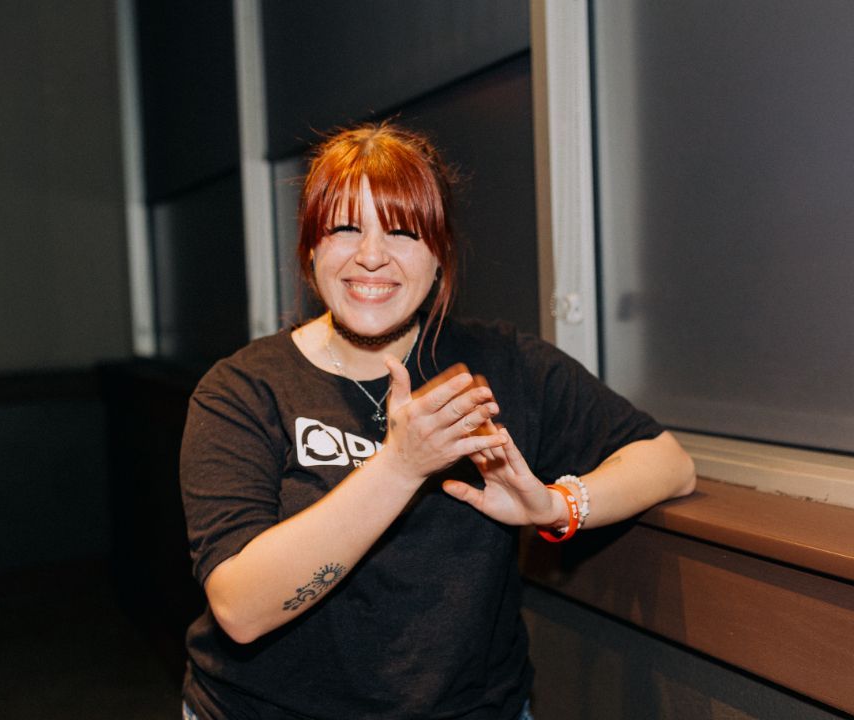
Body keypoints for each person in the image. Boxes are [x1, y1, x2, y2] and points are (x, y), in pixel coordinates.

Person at [179, 122, 696, 720]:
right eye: (345, 228)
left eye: (402, 231)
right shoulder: (241, 391)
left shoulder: (503, 365)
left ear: (438, 257)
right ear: (311, 249)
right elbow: (241, 611)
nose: (371, 256)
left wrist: (555, 507)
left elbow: (667, 461)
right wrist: (399, 465)